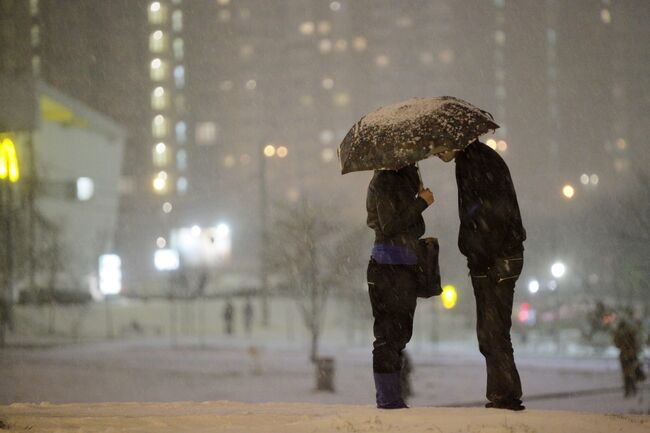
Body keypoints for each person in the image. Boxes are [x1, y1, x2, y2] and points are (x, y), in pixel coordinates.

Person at [436, 139, 526, 411]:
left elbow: (487, 213)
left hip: (496, 259)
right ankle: (501, 394)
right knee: (491, 332)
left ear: (453, 141)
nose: (437, 154)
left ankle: (505, 396)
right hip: (496, 256)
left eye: (439, 147)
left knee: (493, 331)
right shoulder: (475, 159)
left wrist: (479, 255)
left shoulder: (475, 162)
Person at [366, 163, 434, 409]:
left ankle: (392, 397)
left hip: (403, 266)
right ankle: (388, 398)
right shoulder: (385, 180)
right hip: (388, 267)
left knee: (400, 335)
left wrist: (417, 199)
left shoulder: (400, 179)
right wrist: (420, 203)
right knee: (388, 337)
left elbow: (411, 226)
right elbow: (389, 225)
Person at [613, 317, 646, 397]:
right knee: (631, 372)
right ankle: (633, 389)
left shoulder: (618, 332)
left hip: (624, 355)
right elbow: (637, 342)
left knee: (626, 373)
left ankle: (628, 391)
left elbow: (616, 344)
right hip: (631, 354)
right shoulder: (632, 332)